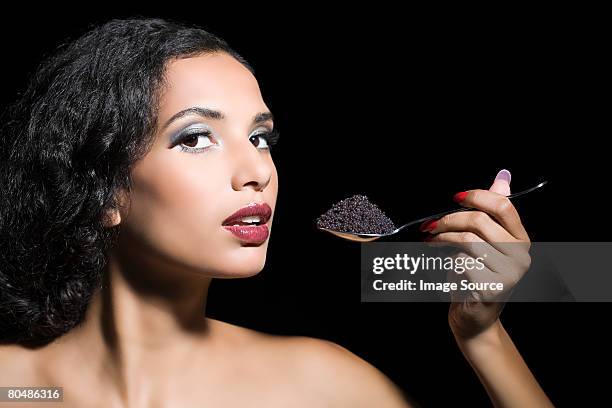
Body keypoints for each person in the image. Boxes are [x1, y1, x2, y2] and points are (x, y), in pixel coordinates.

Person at [0, 17, 553, 407]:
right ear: (103, 192)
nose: (257, 171)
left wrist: (482, 337)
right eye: (196, 138)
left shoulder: (320, 385)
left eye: (261, 138)